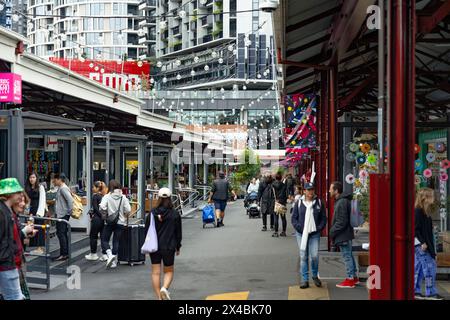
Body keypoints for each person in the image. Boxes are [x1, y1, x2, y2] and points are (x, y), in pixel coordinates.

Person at [0, 178, 35, 300]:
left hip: (10, 263)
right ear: (9, 194)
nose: (21, 195)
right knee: (14, 297)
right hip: (7, 264)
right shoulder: (3, 212)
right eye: (18, 192)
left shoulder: (7, 212)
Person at [145, 188, 182, 300]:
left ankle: (159, 297)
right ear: (170, 198)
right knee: (169, 270)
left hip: (154, 246)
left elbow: (146, 230)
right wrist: (178, 246)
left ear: (159, 198)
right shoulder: (175, 214)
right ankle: (164, 288)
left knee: (156, 272)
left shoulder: (152, 213)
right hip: (169, 246)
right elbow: (178, 233)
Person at [291, 182, 327, 289]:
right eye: (308, 190)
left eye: (312, 189)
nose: (310, 192)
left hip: (314, 234)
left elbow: (323, 218)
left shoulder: (319, 202)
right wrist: (301, 229)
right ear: (304, 191)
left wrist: (319, 228)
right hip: (301, 233)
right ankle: (305, 280)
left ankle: (315, 276)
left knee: (314, 256)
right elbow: (294, 218)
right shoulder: (299, 203)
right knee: (303, 256)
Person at [414, 188, 444, 300]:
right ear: (424, 198)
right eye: (431, 196)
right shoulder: (419, 212)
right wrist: (423, 243)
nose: (433, 198)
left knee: (420, 269)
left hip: (422, 245)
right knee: (430, 268)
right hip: (422, 245)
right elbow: (415, 229)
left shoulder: (424, 212)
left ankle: (415, 290)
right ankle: (430, 292)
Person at [329, 181, 359, 288]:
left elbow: (341, 221)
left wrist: (332, 231)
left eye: (331, 189)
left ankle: (350, 278)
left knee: (346, 256)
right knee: (349, 255)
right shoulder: (344, 200)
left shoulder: (341, 202)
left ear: (336, 191)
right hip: (346, 233)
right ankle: (354, 277)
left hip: (343, 234)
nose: (329, 191)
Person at [11, 192, 37, 300]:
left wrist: (26, 233)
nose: (23, 204)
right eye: (20, 201)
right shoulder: (8, 217)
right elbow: (9, 239)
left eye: (24, 201)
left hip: (16, 263)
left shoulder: (14, 217)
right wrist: (24, 232)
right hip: (10, 265)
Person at [100, 180, 131, 269]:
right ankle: (113, 261)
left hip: (109, 221)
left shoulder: (107, 196)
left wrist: (106, 213)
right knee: (116, 241)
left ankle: (109, 255)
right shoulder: (123, 197)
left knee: (104, 239)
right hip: (120, 222)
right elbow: (128, 210)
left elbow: (102, 207)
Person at [85, 181, 108, 262]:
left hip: (97, 219)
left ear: (98, 188)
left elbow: (95, 208)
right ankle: (105, 254)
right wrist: (104, 217)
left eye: (93, 187)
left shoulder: (95, 196)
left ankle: (93, 254)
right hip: (104, 220)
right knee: (103, 237)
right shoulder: (104, 196)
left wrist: (99, 215)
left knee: (93, 236)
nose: (92, 188)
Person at [53, 173, 73, 261]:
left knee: (61, 233)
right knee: (62, 233)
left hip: (62, 215)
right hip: (62, 214)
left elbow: (70, 200)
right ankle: (64, 253)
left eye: (55, 179)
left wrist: (68, 212)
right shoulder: (61, 188)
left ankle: (64, 254)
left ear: (59, 179)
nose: (54, 181)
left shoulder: (63, 188)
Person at [25, 172, 46, 254]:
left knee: (39, 229)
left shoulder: (40, 187)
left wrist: (39, 213)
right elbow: (27, 200)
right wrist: (27, 211)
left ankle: (40, 248)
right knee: (30, 228)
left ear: (36, 178)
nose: (32, 179)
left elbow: (42, 200)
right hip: (31, 210)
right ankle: (32, 246)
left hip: (38, 210)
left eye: (33, 177)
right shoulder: (28, 188)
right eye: (30, 177)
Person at [272, 173, 288, 237]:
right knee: (283, 218)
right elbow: (286, 194)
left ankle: (276, 232)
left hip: (276, 202)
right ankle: (283, 232)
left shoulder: (272, 185)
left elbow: (271, 195)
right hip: (282, 202)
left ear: (276, 178)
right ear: (281, 178)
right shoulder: (284, 185)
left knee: (276, 217)